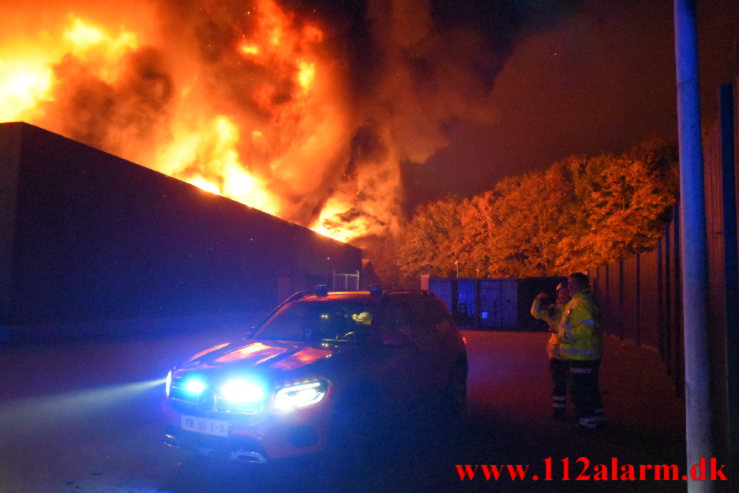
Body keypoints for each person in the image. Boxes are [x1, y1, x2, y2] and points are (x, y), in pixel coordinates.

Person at [560, 272, 604, 429]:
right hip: (585, 353)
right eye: (569, 283)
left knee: (580, 389)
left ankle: (587, 422)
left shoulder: (580, 304)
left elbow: (588, 327)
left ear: (583, 285)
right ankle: (596, 416)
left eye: (574, 283)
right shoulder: (582, 301)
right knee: (590, 387)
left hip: (582, 355)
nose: (570, 286)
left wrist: (565, 336)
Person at [530, 282, 572, 420]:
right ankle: (558, 411)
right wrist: (538, 299)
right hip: (556, 353)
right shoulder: (553, 309)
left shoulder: (574, 309)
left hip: (573, 353)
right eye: (561, 292)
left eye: (566, 292)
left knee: (574, 385)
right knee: (558, 384)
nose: (563, 294)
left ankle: (575, 410)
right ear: (557, 294)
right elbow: (535, 312)